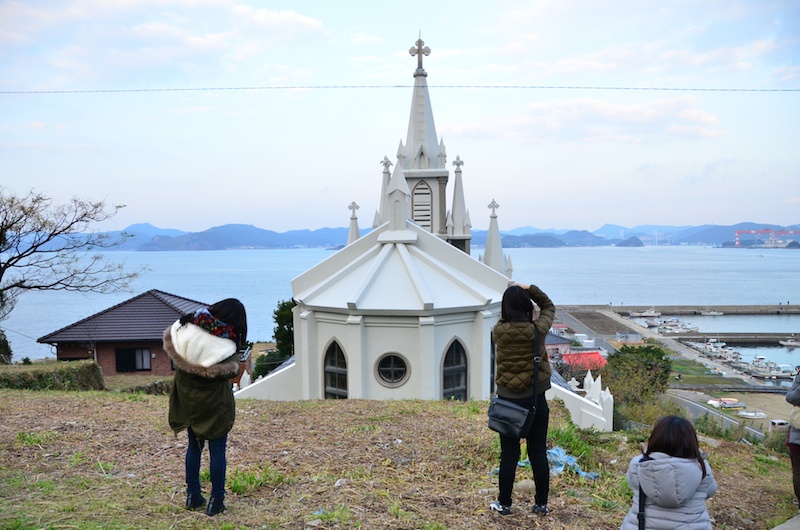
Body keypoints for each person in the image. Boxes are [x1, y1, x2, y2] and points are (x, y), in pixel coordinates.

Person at [163, 298, 247, 517]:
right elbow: (231, 372)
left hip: (188, 399)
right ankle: (216, 500)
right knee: (217, 450)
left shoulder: (189, 325)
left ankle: (193, 496)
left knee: (194, 446)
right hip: (214, 403)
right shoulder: (225, 339)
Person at [489, 284, 555, 516]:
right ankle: (540, 504)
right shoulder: (537, 330)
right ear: (526, 306)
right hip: (536, 400)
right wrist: (531, 289)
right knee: (538, 453)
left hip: (507, 401)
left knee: (509, 454)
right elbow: (548, 306)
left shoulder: (498, 331)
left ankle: (505, 504)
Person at [620, 415, 718, 530]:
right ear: (691, 441)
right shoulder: (702, 468)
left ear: (656, 438)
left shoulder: (639, 464)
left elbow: (632, 483)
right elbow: (710, 490)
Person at [785, 366, 800, 510]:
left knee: (797, 470)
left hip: (797, 435)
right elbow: (790, 397)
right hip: (797, 436)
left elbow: (792, 397)